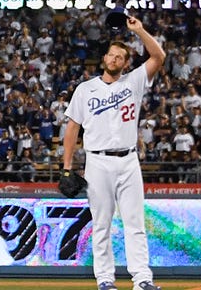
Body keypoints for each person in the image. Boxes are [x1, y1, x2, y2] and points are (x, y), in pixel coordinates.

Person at [61, 15, 165, 290]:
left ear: (126, 63)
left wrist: (140, 30)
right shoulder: (85, 89)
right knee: (101, 224)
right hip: (97, 161)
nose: (115, 59)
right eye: (111, 54)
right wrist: (67, 167)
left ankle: (142, 278)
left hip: (129, 159)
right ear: (104, 58)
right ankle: (105, 279)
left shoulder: (134, 81)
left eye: (120, 56)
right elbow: (72, 131)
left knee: (135, 222)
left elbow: (158, 55)